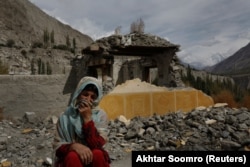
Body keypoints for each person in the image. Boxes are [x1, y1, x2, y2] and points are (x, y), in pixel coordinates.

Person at [53, 76, 110, 167]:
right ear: (78, 94)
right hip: (72, 161)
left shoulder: (100, 116)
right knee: (72, 156)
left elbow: (97, 144)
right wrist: (73, 146)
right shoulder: (65, 117)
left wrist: (87, 119)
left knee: (97, 154)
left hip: (93, 161)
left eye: (93, 97)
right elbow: (58, 148)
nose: (88, 99)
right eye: (85, 94)